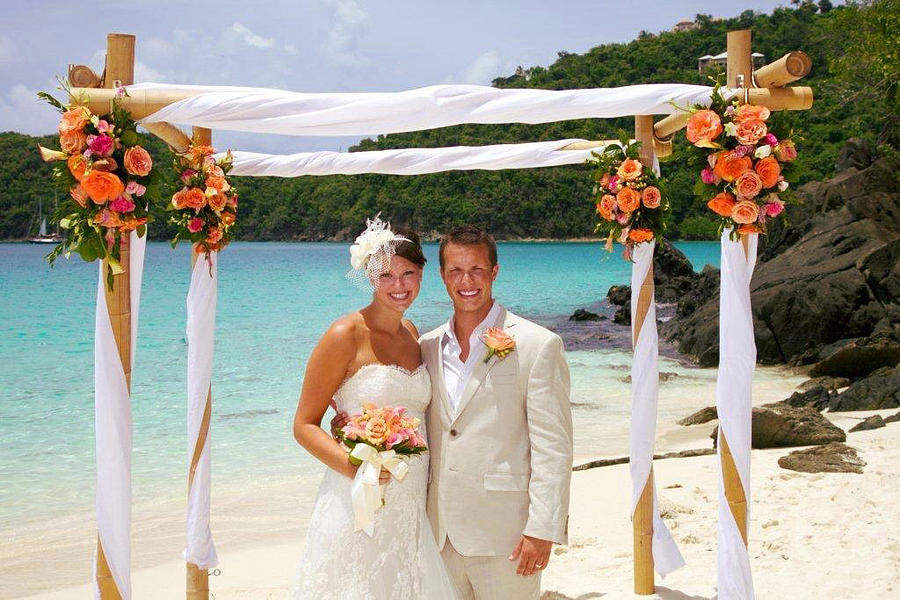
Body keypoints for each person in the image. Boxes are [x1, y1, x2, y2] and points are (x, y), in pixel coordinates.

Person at [334, 224, 574, 599]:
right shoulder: (425, 345)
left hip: (507, 536)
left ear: (494, 272)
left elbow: (554, 448)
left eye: (477, 269)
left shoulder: (538, 345)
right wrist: (350, 426)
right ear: (443, 277)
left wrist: (542, 529)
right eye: (456, 271)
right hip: (435, 533)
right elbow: (404, 412)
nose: (467, 281)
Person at [290, 216, 458, 599]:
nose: (398, 285)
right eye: (386, 276)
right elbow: (303, 425)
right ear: (369, 276)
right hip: (358, 496)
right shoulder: (345, 334)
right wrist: (356, 466)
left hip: (412, 501)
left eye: (408, 273)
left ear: (421, 275)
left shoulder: (412, 333)